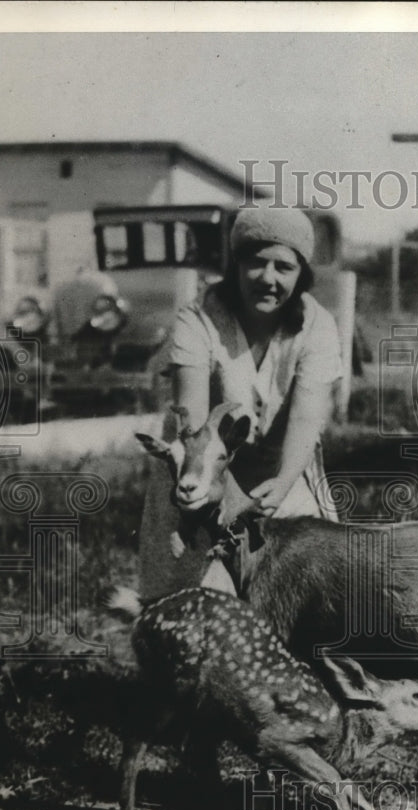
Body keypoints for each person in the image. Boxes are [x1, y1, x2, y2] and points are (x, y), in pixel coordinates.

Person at [138, 205, 343, 600]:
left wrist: (283, 483)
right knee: (186, 601)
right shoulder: (197, 319)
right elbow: (195, 421)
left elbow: (305, 418)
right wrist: (221, 495)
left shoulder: (318, 327)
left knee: (302, 592)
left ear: (301, 274)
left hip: (280, 468)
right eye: (255, 263)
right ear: (236, 266)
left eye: (283, 267)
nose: (268, 278)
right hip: (199, 469)